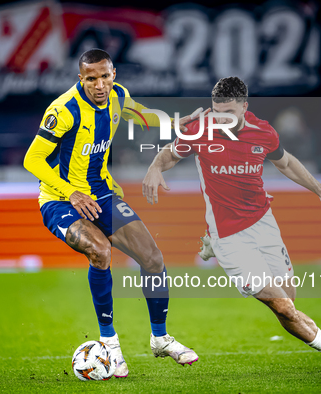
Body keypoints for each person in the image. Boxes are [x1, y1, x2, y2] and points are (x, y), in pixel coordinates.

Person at [142, 76, 321, 372]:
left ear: (245, 107)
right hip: (229, 235)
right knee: (282, 306)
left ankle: (211, 245)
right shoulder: (201, 131)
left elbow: (286, 163)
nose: (222, 121)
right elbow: (169, 153)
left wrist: (320, 189)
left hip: (263, 223)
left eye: (229, 114)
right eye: (217, 113)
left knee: (289, 304)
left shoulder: (264, 132)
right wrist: (155, 168)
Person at [23, 49, 198, 378]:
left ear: (114, 74)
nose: (99, 84)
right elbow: (32, 160)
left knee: (153, 258)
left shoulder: (118, 96)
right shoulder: (63, 110)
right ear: (81, 79)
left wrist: (172, 122)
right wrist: (70, 193)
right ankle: (110, 345)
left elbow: (138, 113)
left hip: (101, 193)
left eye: (105, 76)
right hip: (60, 199)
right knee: (101, 251)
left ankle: (160, 338)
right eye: (91, 79)